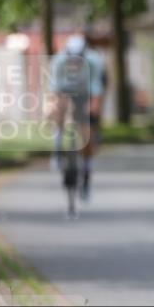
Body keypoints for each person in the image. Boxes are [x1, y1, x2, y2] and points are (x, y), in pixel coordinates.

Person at [48, 33, 105, 201]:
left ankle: (87, 171)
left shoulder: (94, 62)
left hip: (86, 92)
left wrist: (92, 109)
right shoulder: (58, 62)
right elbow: (55, 91)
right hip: (65, 90)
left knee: (87, 131)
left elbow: (96, 92)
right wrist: (56, 108)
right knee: (58, 108)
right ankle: (57, 146)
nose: (75, 63)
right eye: (71, 59)